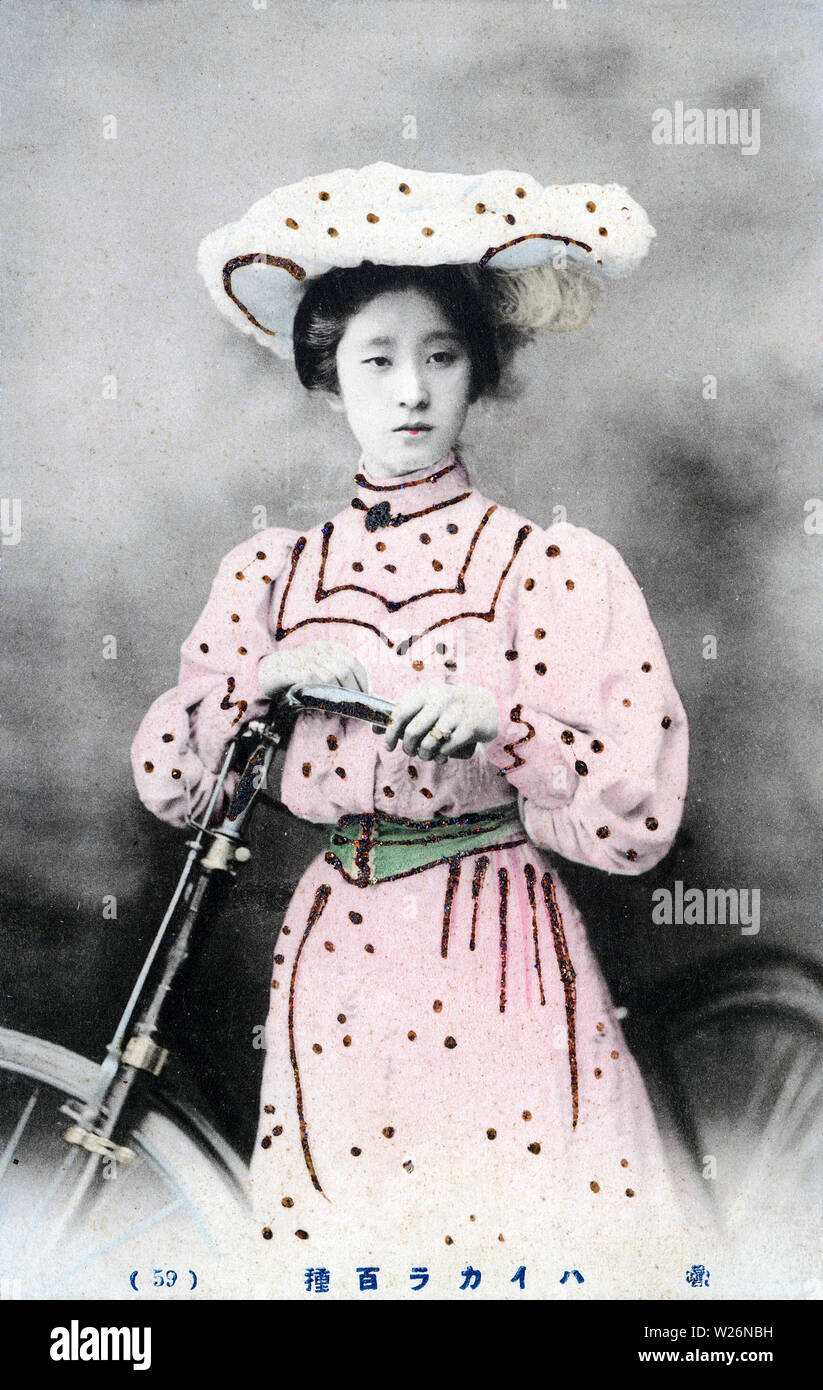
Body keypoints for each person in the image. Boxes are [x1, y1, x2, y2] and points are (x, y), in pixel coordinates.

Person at [131, 163, 694, 1298]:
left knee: (505, 1237)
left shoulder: (546, 568)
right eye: (374, 360)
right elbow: (173, 784)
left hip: (495, 938)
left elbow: (635, 816)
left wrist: (507, 723)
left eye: (440, 356)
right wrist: (261, 690)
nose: (409, 392)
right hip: (335, 949)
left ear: (478, 373)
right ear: (327, 374)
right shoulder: (275, 575)